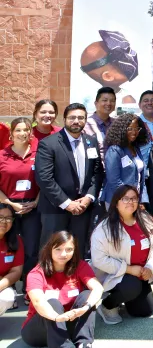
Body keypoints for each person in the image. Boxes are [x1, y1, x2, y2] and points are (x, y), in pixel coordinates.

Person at [22, 232, 102, 348]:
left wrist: (86, 307)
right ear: (49, 249)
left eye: (69, 249)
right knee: (52, 302)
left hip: (67, 323)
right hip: (40, 329)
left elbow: (98, 288)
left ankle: (84, 347)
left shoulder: (80, 266)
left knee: (87, 295)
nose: (63, 254)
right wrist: (56, 317)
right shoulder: (36, 273)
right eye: (58, 249)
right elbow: (38, 301)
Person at [36, 103, 103, 258]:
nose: (76, 121)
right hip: (55, 210)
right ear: (64, 119)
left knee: (77, 251)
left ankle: (74, 282)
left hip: (83, 209)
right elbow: (44, 178)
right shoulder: (48, 144)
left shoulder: (91, 142)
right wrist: (67, 203)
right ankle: (49, 282)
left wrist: (89, 197)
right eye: (72, 117)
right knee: (51, 251)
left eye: (80, 118)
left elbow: (97, 173)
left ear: (86, 120)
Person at [90, 186, 153, 324]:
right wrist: (128, 269)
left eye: (133, 198)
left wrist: (150, 267)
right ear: (116, 202)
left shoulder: (146, 221)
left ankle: (125, 298)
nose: (130, 202)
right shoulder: (104, 228)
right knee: (131, 286)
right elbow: (98, 260)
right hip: (118, 276)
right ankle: (107, 305)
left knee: (144, 311)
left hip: (141, 274)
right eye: (125, 198)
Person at [0, 119, 41, 276]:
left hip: (33, 206)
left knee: (31, 248)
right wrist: (10, 203)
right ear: (11, 133)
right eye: (18, 130)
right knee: (9, 245)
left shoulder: (39, 154)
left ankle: (28, 287)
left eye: (26, 130)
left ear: (31, 133)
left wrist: (36, 202)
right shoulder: (2, 155)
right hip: (7, 207)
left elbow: (46, 180)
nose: (22, 133)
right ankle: (8, 282)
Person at [101, 113, 149, 207]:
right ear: (121, 130)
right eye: (130, 128)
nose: (134, 132)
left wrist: (141, 200)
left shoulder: (136, 148)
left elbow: (140, 177)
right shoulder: (115, 150)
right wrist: (128, 199)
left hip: (134, 200)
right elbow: (114, 181)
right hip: (118, 200)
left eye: (137, 128)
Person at [0, 203, 23, 315]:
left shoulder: (16, 240)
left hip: (1, 283)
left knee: (7, 297)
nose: (4, 221)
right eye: (0, 217)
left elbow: (16, 272)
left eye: (8, 218)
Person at [83, 87, 115, 154]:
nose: (109, 103)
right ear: (96, 103)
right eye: (105, 100)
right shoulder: (86, 124)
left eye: (112, 101)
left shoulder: (117, 124)